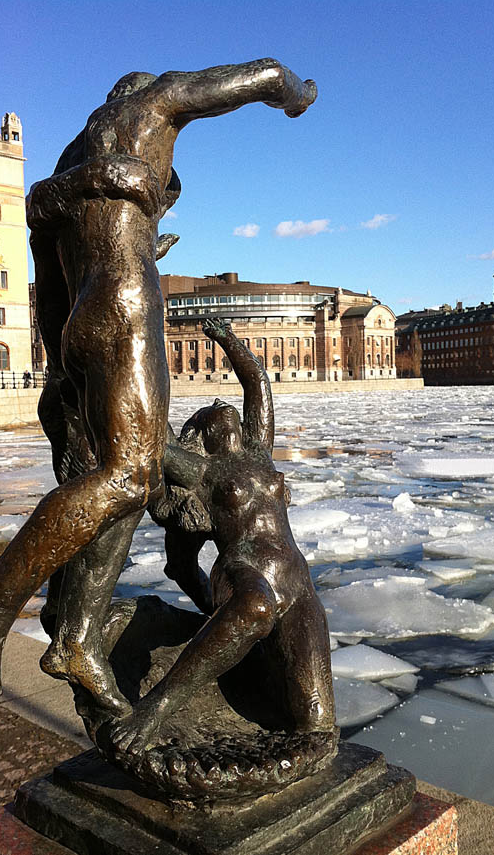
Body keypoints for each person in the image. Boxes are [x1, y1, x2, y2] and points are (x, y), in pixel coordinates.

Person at [0, 60, 318, 708]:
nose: (164, 194)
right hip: (124, 310)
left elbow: (46, 268)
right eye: (165, 187)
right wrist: (293, 92)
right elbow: (252, 78)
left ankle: (77, 638)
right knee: (127, 478)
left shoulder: (70, 163)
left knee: (123, 478)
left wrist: (61, 361)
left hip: (83, 320)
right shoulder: (150, 110)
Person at [110, 318, 335, 756]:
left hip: (296, 581)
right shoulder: (202, 472)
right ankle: (156, 708)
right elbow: (151, 439)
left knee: (316, 722)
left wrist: (227, 339)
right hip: (243, 574)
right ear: (202, 433)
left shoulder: (258, 450)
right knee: (255, 607)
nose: (219, 403)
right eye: (209, 410)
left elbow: (258, 385)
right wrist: (130, 360)